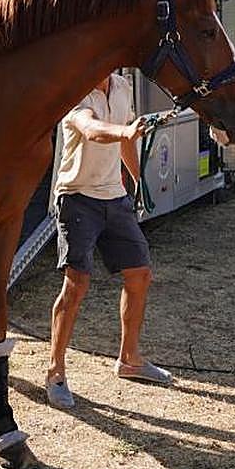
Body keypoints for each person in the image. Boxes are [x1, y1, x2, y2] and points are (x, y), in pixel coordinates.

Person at [45, 71, 171, 410]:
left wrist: (136, 179)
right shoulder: (74, 87)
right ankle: (55, 371)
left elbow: (124, 140)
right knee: (76, 284)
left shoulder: (122, 86)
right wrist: (124, 131)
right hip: (77, 197)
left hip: (114, 197)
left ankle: (129, 359)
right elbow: (91, 129)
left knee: (140, 274)